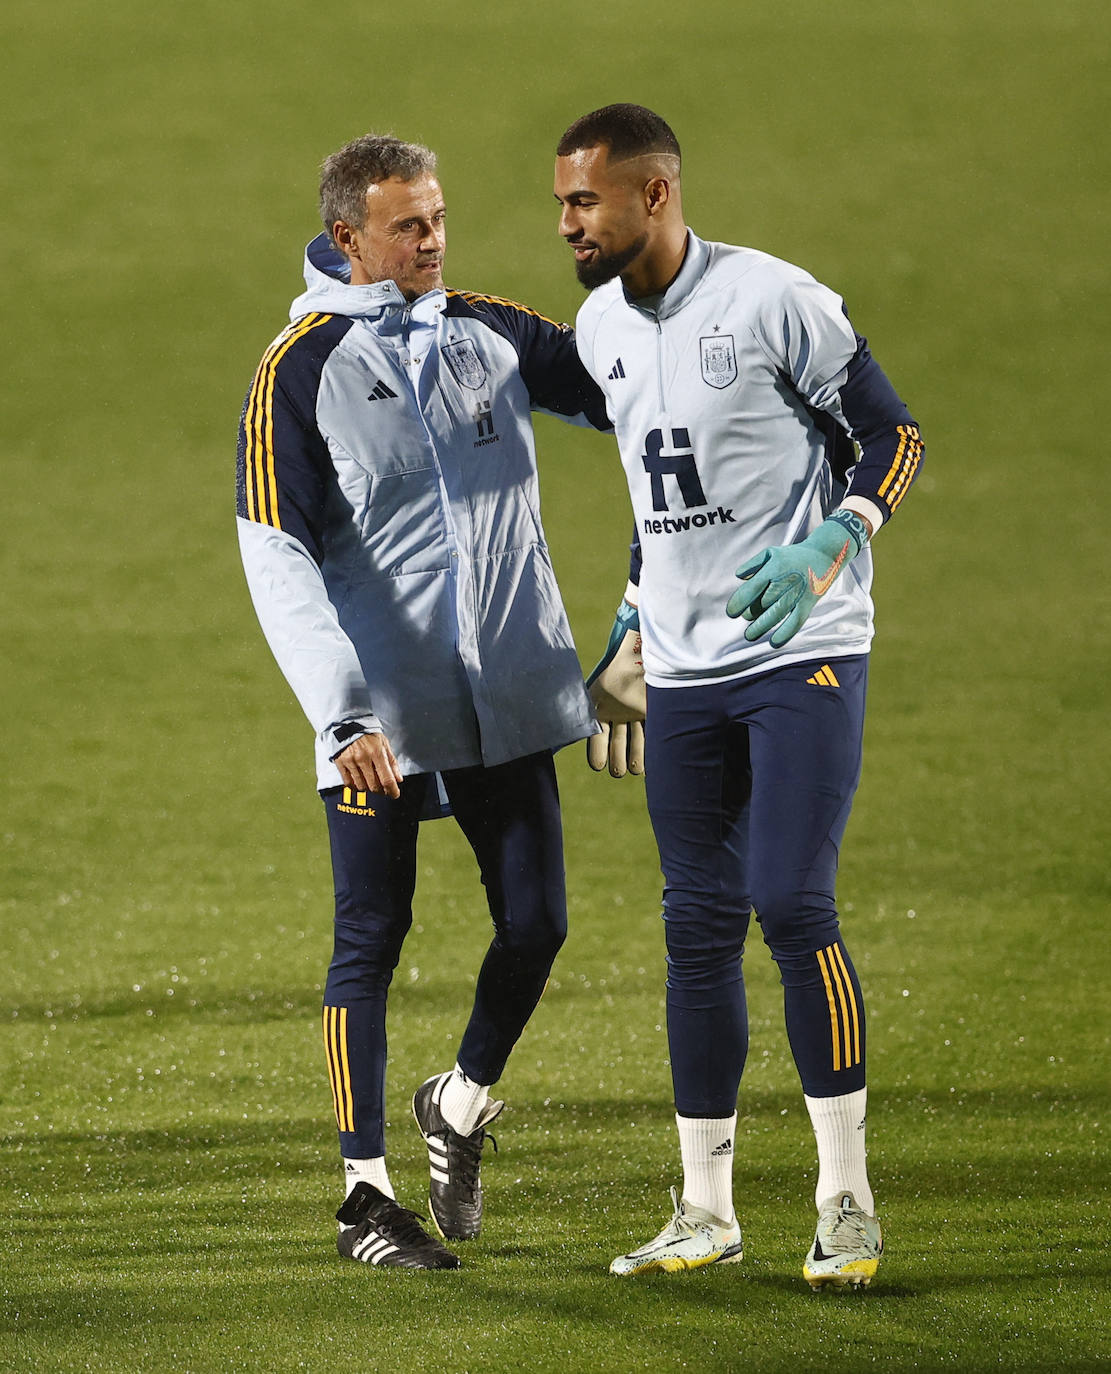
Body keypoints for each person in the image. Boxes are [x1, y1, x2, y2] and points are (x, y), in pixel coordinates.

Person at [554, 104, 924, 1288]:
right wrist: (626, 619)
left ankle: (847, 1202)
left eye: (583, 202)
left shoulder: (774, 300)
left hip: (801, 645)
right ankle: (706, 1210)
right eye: (563, 203)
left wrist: (834, 539)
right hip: (686, 669)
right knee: (693, 926)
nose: (566, 222)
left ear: (652, 195)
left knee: (789, 902)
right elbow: (659, 482)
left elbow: (893, 435)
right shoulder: (600, 324)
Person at [237, 133, 609, 1270]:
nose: (433, 240)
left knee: (538, 923)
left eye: (439, 217)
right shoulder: (297, 369)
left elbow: (623, 400)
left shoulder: (484, 332)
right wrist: (341, 713)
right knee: (371, 938)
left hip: (504, 695)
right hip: (381, 721)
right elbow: (275, 550)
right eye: (408, 225)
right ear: (347, 236)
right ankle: (363, 1197)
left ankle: (456, 1105)